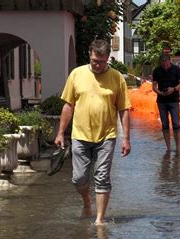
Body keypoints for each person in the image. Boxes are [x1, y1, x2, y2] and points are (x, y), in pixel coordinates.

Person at [55, 39, 131, 225]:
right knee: (79, 178)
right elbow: (68, 105)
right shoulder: (77, 74)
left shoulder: (116, 77)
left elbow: (124, 109)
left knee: (102, 177)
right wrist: (60, 132)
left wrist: (126, 139)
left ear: (108, 59)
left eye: (102, 61)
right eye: (95, 61)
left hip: (107, 135)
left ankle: (99, 219)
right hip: (80, 135)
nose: (98, 65)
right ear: (90, 55)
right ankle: (87, 201)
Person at [152, 54, 180, 151]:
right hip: (161, 101)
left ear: (169, 61)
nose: (165, 66)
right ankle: (168, 148)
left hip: (174, 100)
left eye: (166, 64)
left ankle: (178, 147)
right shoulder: (157, 70)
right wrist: (160, 92)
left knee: (176, 123)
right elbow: (153, 87)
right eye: (163, 64)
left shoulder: (176, 69)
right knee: (165, 124)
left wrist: (173, 89)